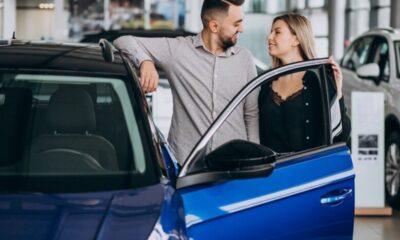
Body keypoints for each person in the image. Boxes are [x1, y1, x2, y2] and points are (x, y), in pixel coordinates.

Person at [114, 0, 259, 164]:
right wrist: (145, 61)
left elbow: (251, 114)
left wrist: (254, 160)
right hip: (186, 166)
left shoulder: (244, 58)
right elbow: (123, 40)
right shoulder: (178, 51)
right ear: (214, 26)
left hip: (235, 164)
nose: (242, 29)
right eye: (236, 24)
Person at [259, 13, 351, 153]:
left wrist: (338, 94)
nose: (269, 37)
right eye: (271, 32)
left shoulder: (319, 80)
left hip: (308, 170)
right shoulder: (267, 82)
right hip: (272, 172)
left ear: (296, 39)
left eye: (277, 32)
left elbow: (341, 136)